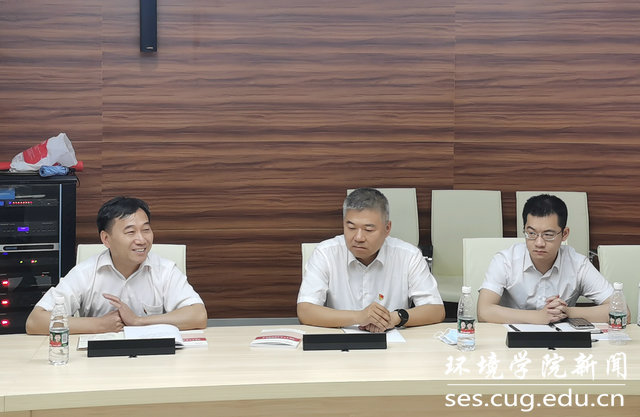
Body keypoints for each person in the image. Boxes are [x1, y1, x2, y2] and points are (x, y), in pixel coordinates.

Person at [26, 197, 207, 335]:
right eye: (130, 232)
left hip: (153, 360)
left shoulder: (165, 270)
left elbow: (198, 315)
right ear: (106, 239)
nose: (141, 239)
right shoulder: (86, 272)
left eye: (146, 230)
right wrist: (100, 325)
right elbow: (35, 321)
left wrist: (138, 321)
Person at [297, 188, 445, 332]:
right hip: (340, 342)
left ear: (387, 228)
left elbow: (436, 310)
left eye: (368, 230)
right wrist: (359, 317)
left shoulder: (408, 255)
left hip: (391, 342)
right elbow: (305, 311)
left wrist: (394, 318)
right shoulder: (325, 253)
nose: (359, 237)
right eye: (351, 227)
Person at [478, 194, 616, 324]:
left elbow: (620, 311)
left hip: (561, 338)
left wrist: (566, 312)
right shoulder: (505, 261)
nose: (539, 243)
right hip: (512, 337)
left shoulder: (578, 264)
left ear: (564, 234)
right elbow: (483, 312)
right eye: (531, 233)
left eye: (548, 235)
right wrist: (538, 317)